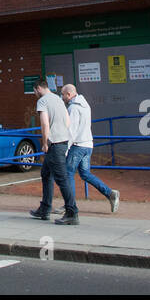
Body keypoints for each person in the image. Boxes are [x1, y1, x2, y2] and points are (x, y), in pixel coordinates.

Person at [59, 84, 120, 213]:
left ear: (69, 94)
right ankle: (110, 194)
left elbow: (72, 131)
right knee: (85, 174)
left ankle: (69, 205)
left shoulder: (73, 108)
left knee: (68, 173)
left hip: (78, 146)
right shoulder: (85, 105)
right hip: (88, 144)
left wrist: (65, 149)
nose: (62, 97)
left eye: (63, 94)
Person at [29, 80, 78, 225]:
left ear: (38, 88)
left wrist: (44, 143)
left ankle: (72, 212)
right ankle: (44, 209)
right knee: (46, 174)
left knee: (62, 179)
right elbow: (67, 121)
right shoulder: (58, 99)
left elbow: (44, 123)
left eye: (34, 91)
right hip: (63, 141)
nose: (35, 94)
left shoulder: (42, 101)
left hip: (54, 144)